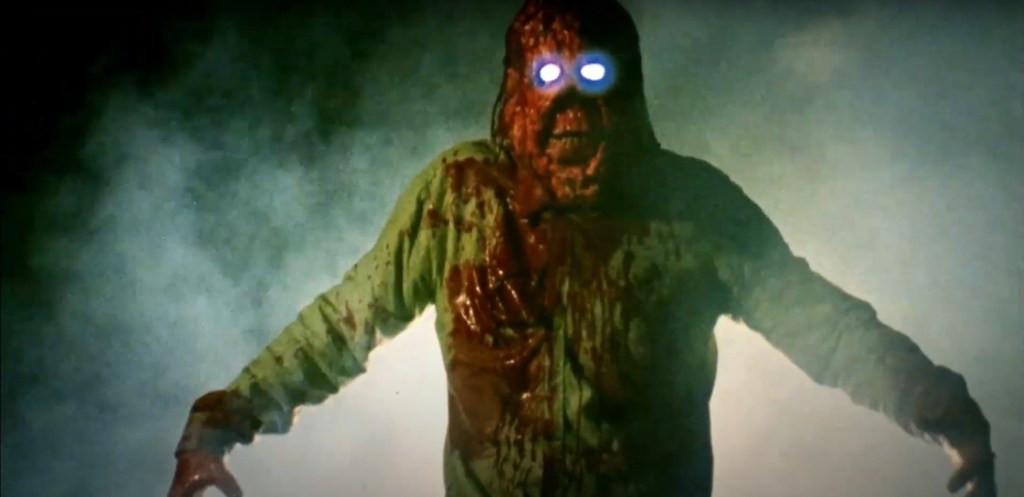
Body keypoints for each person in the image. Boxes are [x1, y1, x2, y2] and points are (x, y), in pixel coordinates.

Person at [166, 1, 997, 496]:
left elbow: (822, 322)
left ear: (628, 89)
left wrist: (939, 408)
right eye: (545, 77)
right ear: (513, 93)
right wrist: (218, 425)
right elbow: (341, 325)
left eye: (593, 77)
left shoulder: (692, 208)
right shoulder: (458, 199)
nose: (569, 103)